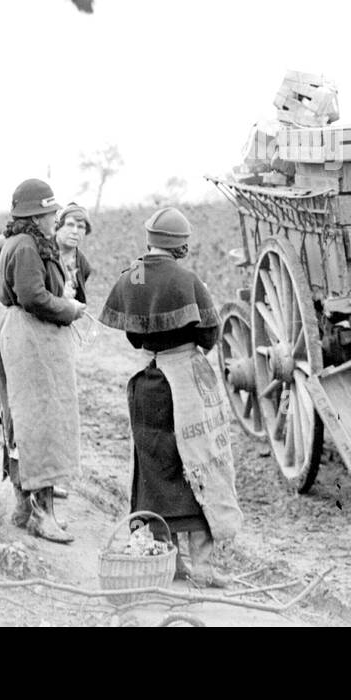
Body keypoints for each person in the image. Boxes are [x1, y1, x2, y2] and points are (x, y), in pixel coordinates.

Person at [100, 207, 242, 588]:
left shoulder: (132, 276)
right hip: (184, 386)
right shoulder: (188, 279)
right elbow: (210, 336)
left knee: (153, 470)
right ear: (181, 245)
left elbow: (132, 334)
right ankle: (205, 567)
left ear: (150, 240)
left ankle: (168, 561)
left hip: (148, 385)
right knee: (198, 466)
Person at [0, 178, 84, 543]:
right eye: (50, 212)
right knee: (41, 425)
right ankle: (42, 515)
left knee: (21, 421)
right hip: (32, 339)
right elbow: (33, 296)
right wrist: (70, 308)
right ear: (35, 216)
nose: (55, 218)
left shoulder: (14, 242)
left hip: (19, 335)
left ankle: (23, 507)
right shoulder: (29, 246)